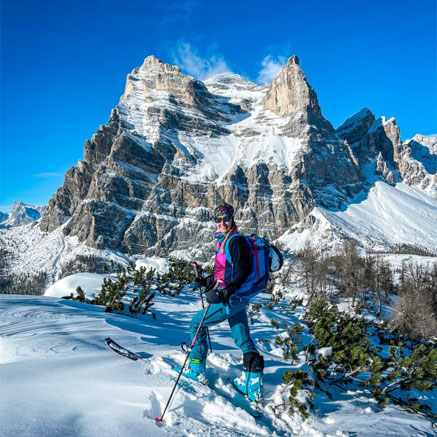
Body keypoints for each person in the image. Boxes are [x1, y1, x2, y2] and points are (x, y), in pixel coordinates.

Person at [180, 203, 264, 403]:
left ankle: (196, 369)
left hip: (232, 298)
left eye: (226, 218)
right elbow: (227, 272)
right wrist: (207, 281)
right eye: (218, 219)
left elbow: (242, 271)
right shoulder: (225, 240)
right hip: (239, 298)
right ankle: (253, 387)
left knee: (197, 323)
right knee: (242, 338)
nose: (222, 222)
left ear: (232, 218)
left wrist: (228, 291)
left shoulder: (235, 241)